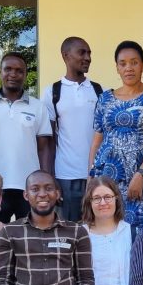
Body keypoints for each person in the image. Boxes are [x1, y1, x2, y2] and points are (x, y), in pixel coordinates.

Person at [0, 52, 52, 222]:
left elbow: (44, 147)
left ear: (25, 74)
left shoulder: (38, 107)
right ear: (0, 71)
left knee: (31, 235)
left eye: (19, 70)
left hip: (30, 186)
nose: (13, 74)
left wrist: (46, 179)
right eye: (8, 69)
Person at [89, 40, 143, 229]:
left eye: (134, 62)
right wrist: (91, 180)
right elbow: (97, 143)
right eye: (123, 63)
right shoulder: (105, 98)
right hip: (107, 179)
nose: (129, 68)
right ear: (117, 68)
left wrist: (141, 175)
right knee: (108, 231)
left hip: (142, 181)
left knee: (140, 236)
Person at [43, 36, 104, 222]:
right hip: (65, 177)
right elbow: (48, 140)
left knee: (96, 231)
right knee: (68, 232)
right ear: (66, 56)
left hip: (95, 175)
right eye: (82, 52)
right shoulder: (52, 91)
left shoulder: (98, 90)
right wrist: (50, 178)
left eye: (89, 53)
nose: (87, 57)